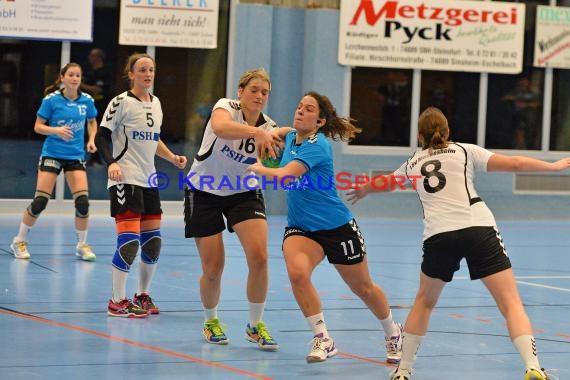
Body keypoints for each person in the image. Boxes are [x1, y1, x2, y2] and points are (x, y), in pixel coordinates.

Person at [347, 107, 565, 380]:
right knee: (511, 303)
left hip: (439, 234)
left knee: (424, 302)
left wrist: (365, 188)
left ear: (419, 135)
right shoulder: (464, 151)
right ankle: (533, 367)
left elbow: (387, 182)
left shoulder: (413, 163)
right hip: (478, 228)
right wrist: (552, 166)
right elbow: (517, 164)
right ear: (448, 132)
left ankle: (403, 371)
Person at [248, 91, 402, 363]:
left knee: (363, 288)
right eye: (299, 106)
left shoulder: (317, 146)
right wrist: (269, 135)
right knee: (298, 275)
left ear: (319, 122)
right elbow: (280, 132)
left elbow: (284, 177)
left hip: (336, 227)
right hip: (301, 228)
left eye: (308, 109)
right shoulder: (291, 137)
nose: (300, 111)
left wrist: (259, 168)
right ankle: (323, 338)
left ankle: (393, 332)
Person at [184, 68, 281, 350]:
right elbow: (220, 128)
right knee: (213, 268)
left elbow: (270, 164)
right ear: (241, 91)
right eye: (254, 90)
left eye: (264, 92)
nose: (259, 96)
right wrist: (257, 133)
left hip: (243, 192)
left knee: (260, 258)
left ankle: (255, 325)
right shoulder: (226, 107)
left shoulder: (270, 128)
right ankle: (211, 320)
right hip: (203, 190)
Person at [95, 53, 187, 318]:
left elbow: (153, 139)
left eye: (152, 69)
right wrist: (111, 162)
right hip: (125, 178)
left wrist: (171, 157)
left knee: (153, 243)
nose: (148, 74)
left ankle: (142, 295)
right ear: (131, 74)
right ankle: (117, 301)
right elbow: (102, 137)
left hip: (149, 179)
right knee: (129, 242)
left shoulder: (156, 103)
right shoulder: (120, 102)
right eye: (142, 70)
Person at [9, 63, 98, 261]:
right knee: (40, 201)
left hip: (75, 156)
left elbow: (92, 121)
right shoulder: (51, 100)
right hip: (52, 154)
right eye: (71, 75)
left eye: (78, 75)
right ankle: (19, 240)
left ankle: (82, 244)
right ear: (63, 77)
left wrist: (91, 140)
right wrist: (57, 130)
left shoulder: (87, 101)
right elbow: (38, 127)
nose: (75, 78)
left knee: (83, 203)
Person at [82, 48, 113, 166]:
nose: (90, 58)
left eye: (92, 56)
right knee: (90, 133)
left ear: (98, 57)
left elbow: (97, 89)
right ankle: (94, 157)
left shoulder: (104, 73)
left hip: (102, 106)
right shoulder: (90, 73)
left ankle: (103, 159)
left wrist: (80, 84)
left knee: (100, 133)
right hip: (91, 106)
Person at [501, 77, 541, 150]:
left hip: (528, 116)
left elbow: (537, 104)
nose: (524, 85)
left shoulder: (531, 94)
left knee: (524, 132)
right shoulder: (516, 92)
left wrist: (526, 104)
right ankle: (519, 146)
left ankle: (522, 147)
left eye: (525, 83)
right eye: (522, 83)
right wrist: (512, 98)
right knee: (518, 131)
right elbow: (504, 98)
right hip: (516, 115)